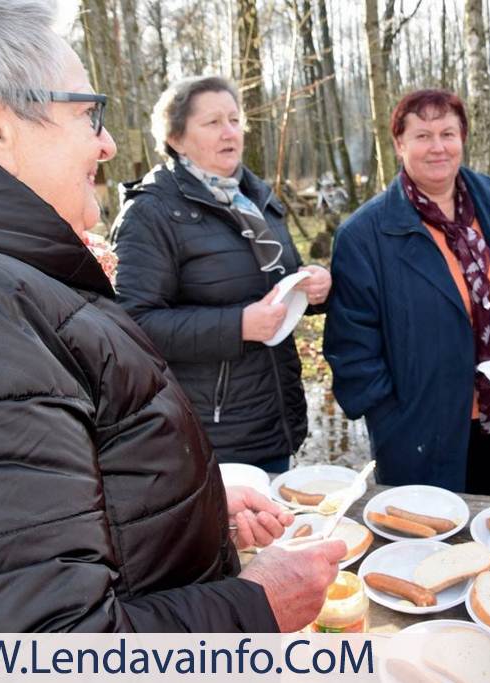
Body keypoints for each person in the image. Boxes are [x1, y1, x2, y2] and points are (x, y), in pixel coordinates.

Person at [0, 0, 344, 632]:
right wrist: (255, 607)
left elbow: (40, 510)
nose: (107, 144)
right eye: (88, 113)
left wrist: (185, 510)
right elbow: (23, 654)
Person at [323, 89, 490, 497]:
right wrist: (392, 417)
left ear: (462, 138)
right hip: (420, 431)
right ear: (399, 144)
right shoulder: (364, 236)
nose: (438, 147)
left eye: (447, 134)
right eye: (422, 136)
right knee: (426, 529)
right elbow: (351, 346)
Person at [111, 77, 330, 474]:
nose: (230, 132)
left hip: (271, 420)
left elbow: (278, 284)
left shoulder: (256, 198)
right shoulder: (150, 212)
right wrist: (238, 325)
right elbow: (132, 324)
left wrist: (313, 286)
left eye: (234, 119)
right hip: (203, 436)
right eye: (212, 122)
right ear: (176, 138)